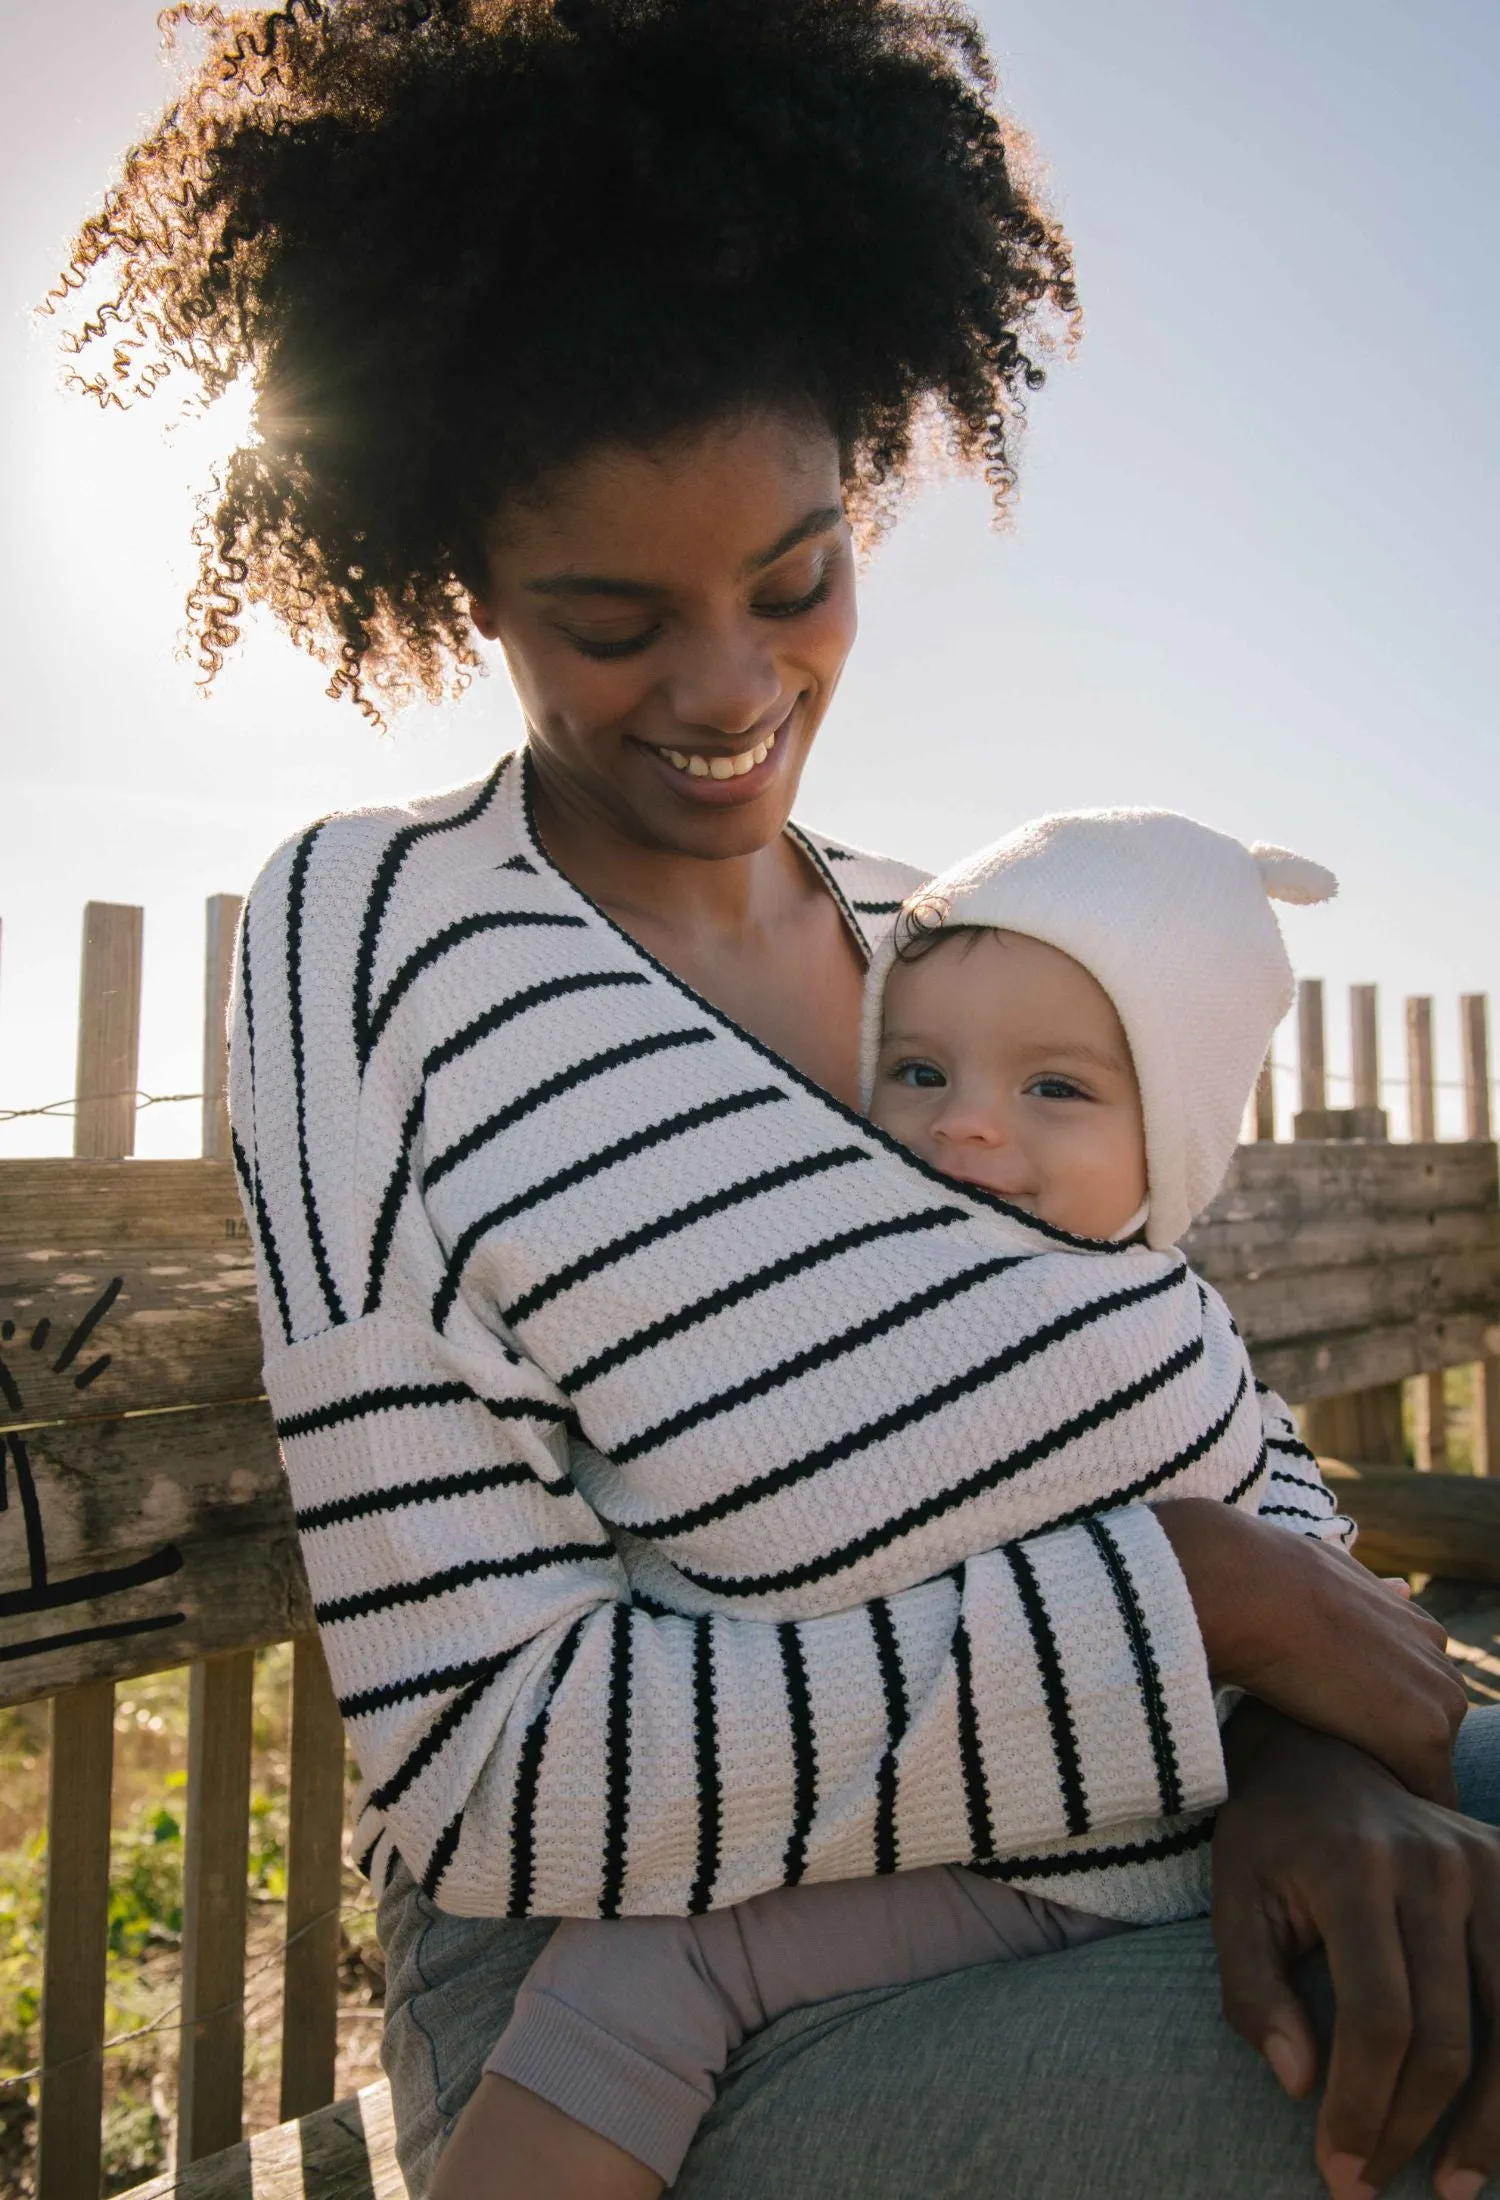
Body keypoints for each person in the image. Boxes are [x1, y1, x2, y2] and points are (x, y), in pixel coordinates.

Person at [57, 5, 1498, 2197]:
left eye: (797, 578)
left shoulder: (960, 952)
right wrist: (1195, 1617)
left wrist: (1299, 1737)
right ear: (456, 572)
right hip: (635, 2008)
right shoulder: (373, 936)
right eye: (610, 618)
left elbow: (1182, 1404)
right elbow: (488, 1763)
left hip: (1129, 1844)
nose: (730, 694)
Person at [462, 808, 1382, 2198]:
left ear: (1177, 1138)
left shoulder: (1101, 1328)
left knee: (655, 1966)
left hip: (1068, 1846)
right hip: (1052, 1803)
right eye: (917, 1067)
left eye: (1056, 1089)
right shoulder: (1141, 1307)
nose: (964, 1119)